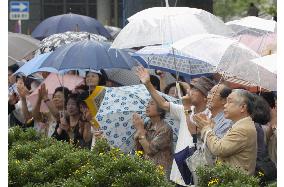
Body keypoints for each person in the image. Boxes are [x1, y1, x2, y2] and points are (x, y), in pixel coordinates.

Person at [135, 66, 214, 186]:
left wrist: (187, 108)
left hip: (197, 170)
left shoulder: (209, 114)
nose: (189, 92)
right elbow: (162, 103)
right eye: (190, 88)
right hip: (179, 169)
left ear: (205, 96)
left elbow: (193, 131)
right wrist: (148, 84)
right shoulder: (186, 109)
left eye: (194, 89)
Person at [194, 89, 257, 175]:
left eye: (229, 102)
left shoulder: (242, 129)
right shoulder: (240, 125)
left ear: (243, 107)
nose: (225, 105)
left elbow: (219, 149)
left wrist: (207, 129)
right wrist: (210, 129)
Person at [132, 98, 173, 179]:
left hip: (161, 172)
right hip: (146, 168)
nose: (147, 106)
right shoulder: (147, 124)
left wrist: (140, 130)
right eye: (147, 104)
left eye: (151, 104)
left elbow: (150, 151)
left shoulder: (165, 128)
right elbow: (139, 150)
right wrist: (137, 135)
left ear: (160, 111)